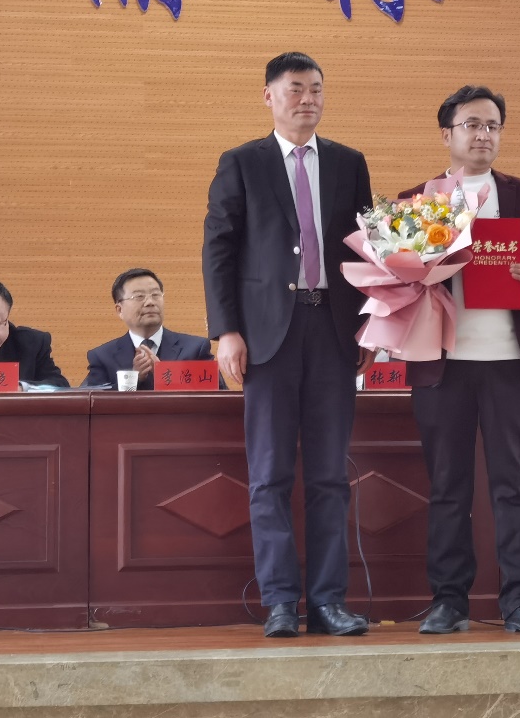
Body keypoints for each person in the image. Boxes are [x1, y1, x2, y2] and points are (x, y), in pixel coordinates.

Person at [202, 51, 373, 638]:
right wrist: (226, 330)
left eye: (316, 88)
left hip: (333, 329)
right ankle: (279, 600)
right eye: (296, 88)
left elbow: (367, 249)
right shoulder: (242, 162)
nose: (308, 98)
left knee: (329, 476)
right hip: (267, 336)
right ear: (269, 96)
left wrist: (371, 323)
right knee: (270, 473)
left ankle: (327, 602)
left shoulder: (349, 162)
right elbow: (219, 249)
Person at [402, 86, 520, 636]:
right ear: (447, 133)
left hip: (508, 361)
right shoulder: (416, 199)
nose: (483, 135)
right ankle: (449, 601)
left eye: (492, 125)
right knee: (448, 487)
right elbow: (396, 279)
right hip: (441, 364)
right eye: (471, 124)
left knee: (515, 486)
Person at [82, 267, 216, 389]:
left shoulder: (195, 349)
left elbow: (217, 396)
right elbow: (94, 401)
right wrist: (132, 379)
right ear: (119, 310)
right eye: (139, 296)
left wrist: (164, 374)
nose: (150, 302)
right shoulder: (102, 356)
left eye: (156, 295)